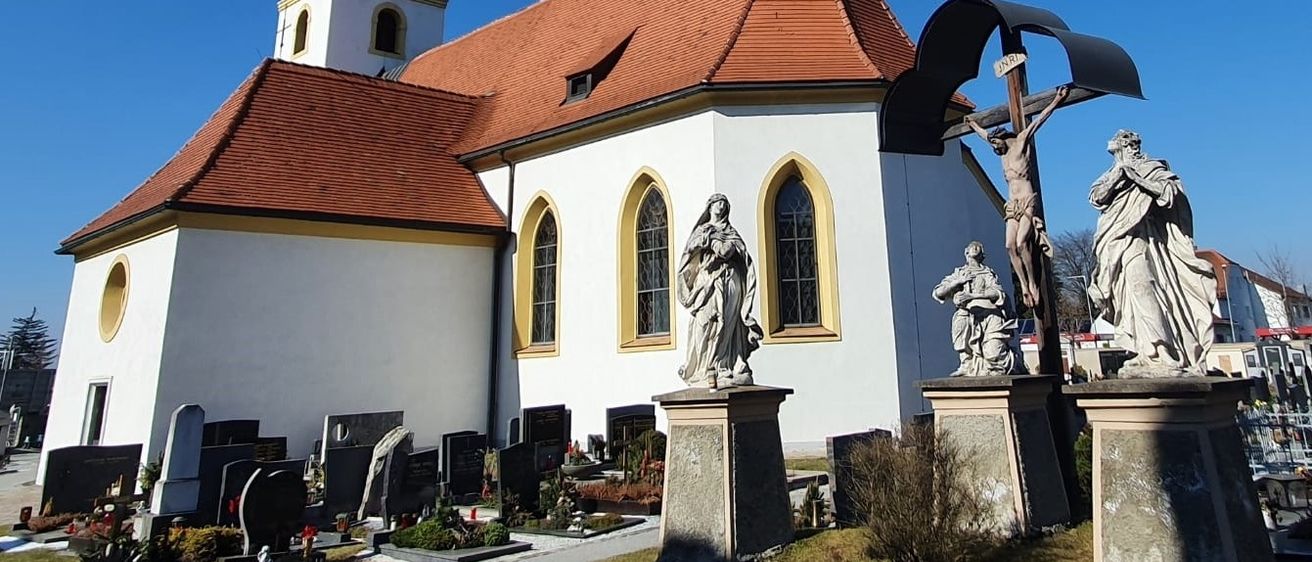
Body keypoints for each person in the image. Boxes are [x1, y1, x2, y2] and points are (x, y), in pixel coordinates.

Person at [1087, 130, 1217, 376]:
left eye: (1133, 144)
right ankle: (1144, 350)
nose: (1132, 149)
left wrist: (1136, 178)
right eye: (1126, 145)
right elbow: (1097, 198)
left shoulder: (1150, 167)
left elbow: (1169, 194)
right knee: (1127, 297)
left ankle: (1162, 350)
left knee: (1144, 289)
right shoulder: (1110, 174)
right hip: (1115, 242)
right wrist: (1120, 175)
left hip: (1143, 239)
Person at [965, 85, 1069, 309]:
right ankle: (1023, 285)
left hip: (1026, 200)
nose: (995, 148)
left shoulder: (1020, 143)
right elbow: (985, 136)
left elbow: (1038, 122)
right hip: (1011, 204)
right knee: (1009, 246)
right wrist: (973, 124)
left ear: (1003, 138)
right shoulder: (1001, 153)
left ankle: (1033, 283)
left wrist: (1056, 101)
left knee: (1022, 243)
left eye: (996, 144)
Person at [676, 194, 764, 389]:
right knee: (705, 322)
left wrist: (727, 248)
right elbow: (690, 250)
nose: (721, 206)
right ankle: (703, 367)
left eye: (724, 203)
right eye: (718, 203)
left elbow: (737, 251)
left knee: (728, 323)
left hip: (731, 280)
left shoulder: (731, 232)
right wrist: (706, 242)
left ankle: (724, 365)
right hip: (707, 282)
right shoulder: (702, 230)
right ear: (710, 207)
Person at [932, 241, 1023, 377]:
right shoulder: (959, 273)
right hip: (968, 316)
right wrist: (956, 283)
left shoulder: (987, 273)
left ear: (982, 254)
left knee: (994, 355)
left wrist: (973, 295)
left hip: (991, 316)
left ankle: (1014, 363)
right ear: (966, 252)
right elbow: (938, 293)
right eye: (971, 246)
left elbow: (998, 293)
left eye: (978, 246)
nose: (975, 246)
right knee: (960, 320)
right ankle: (966, 363)